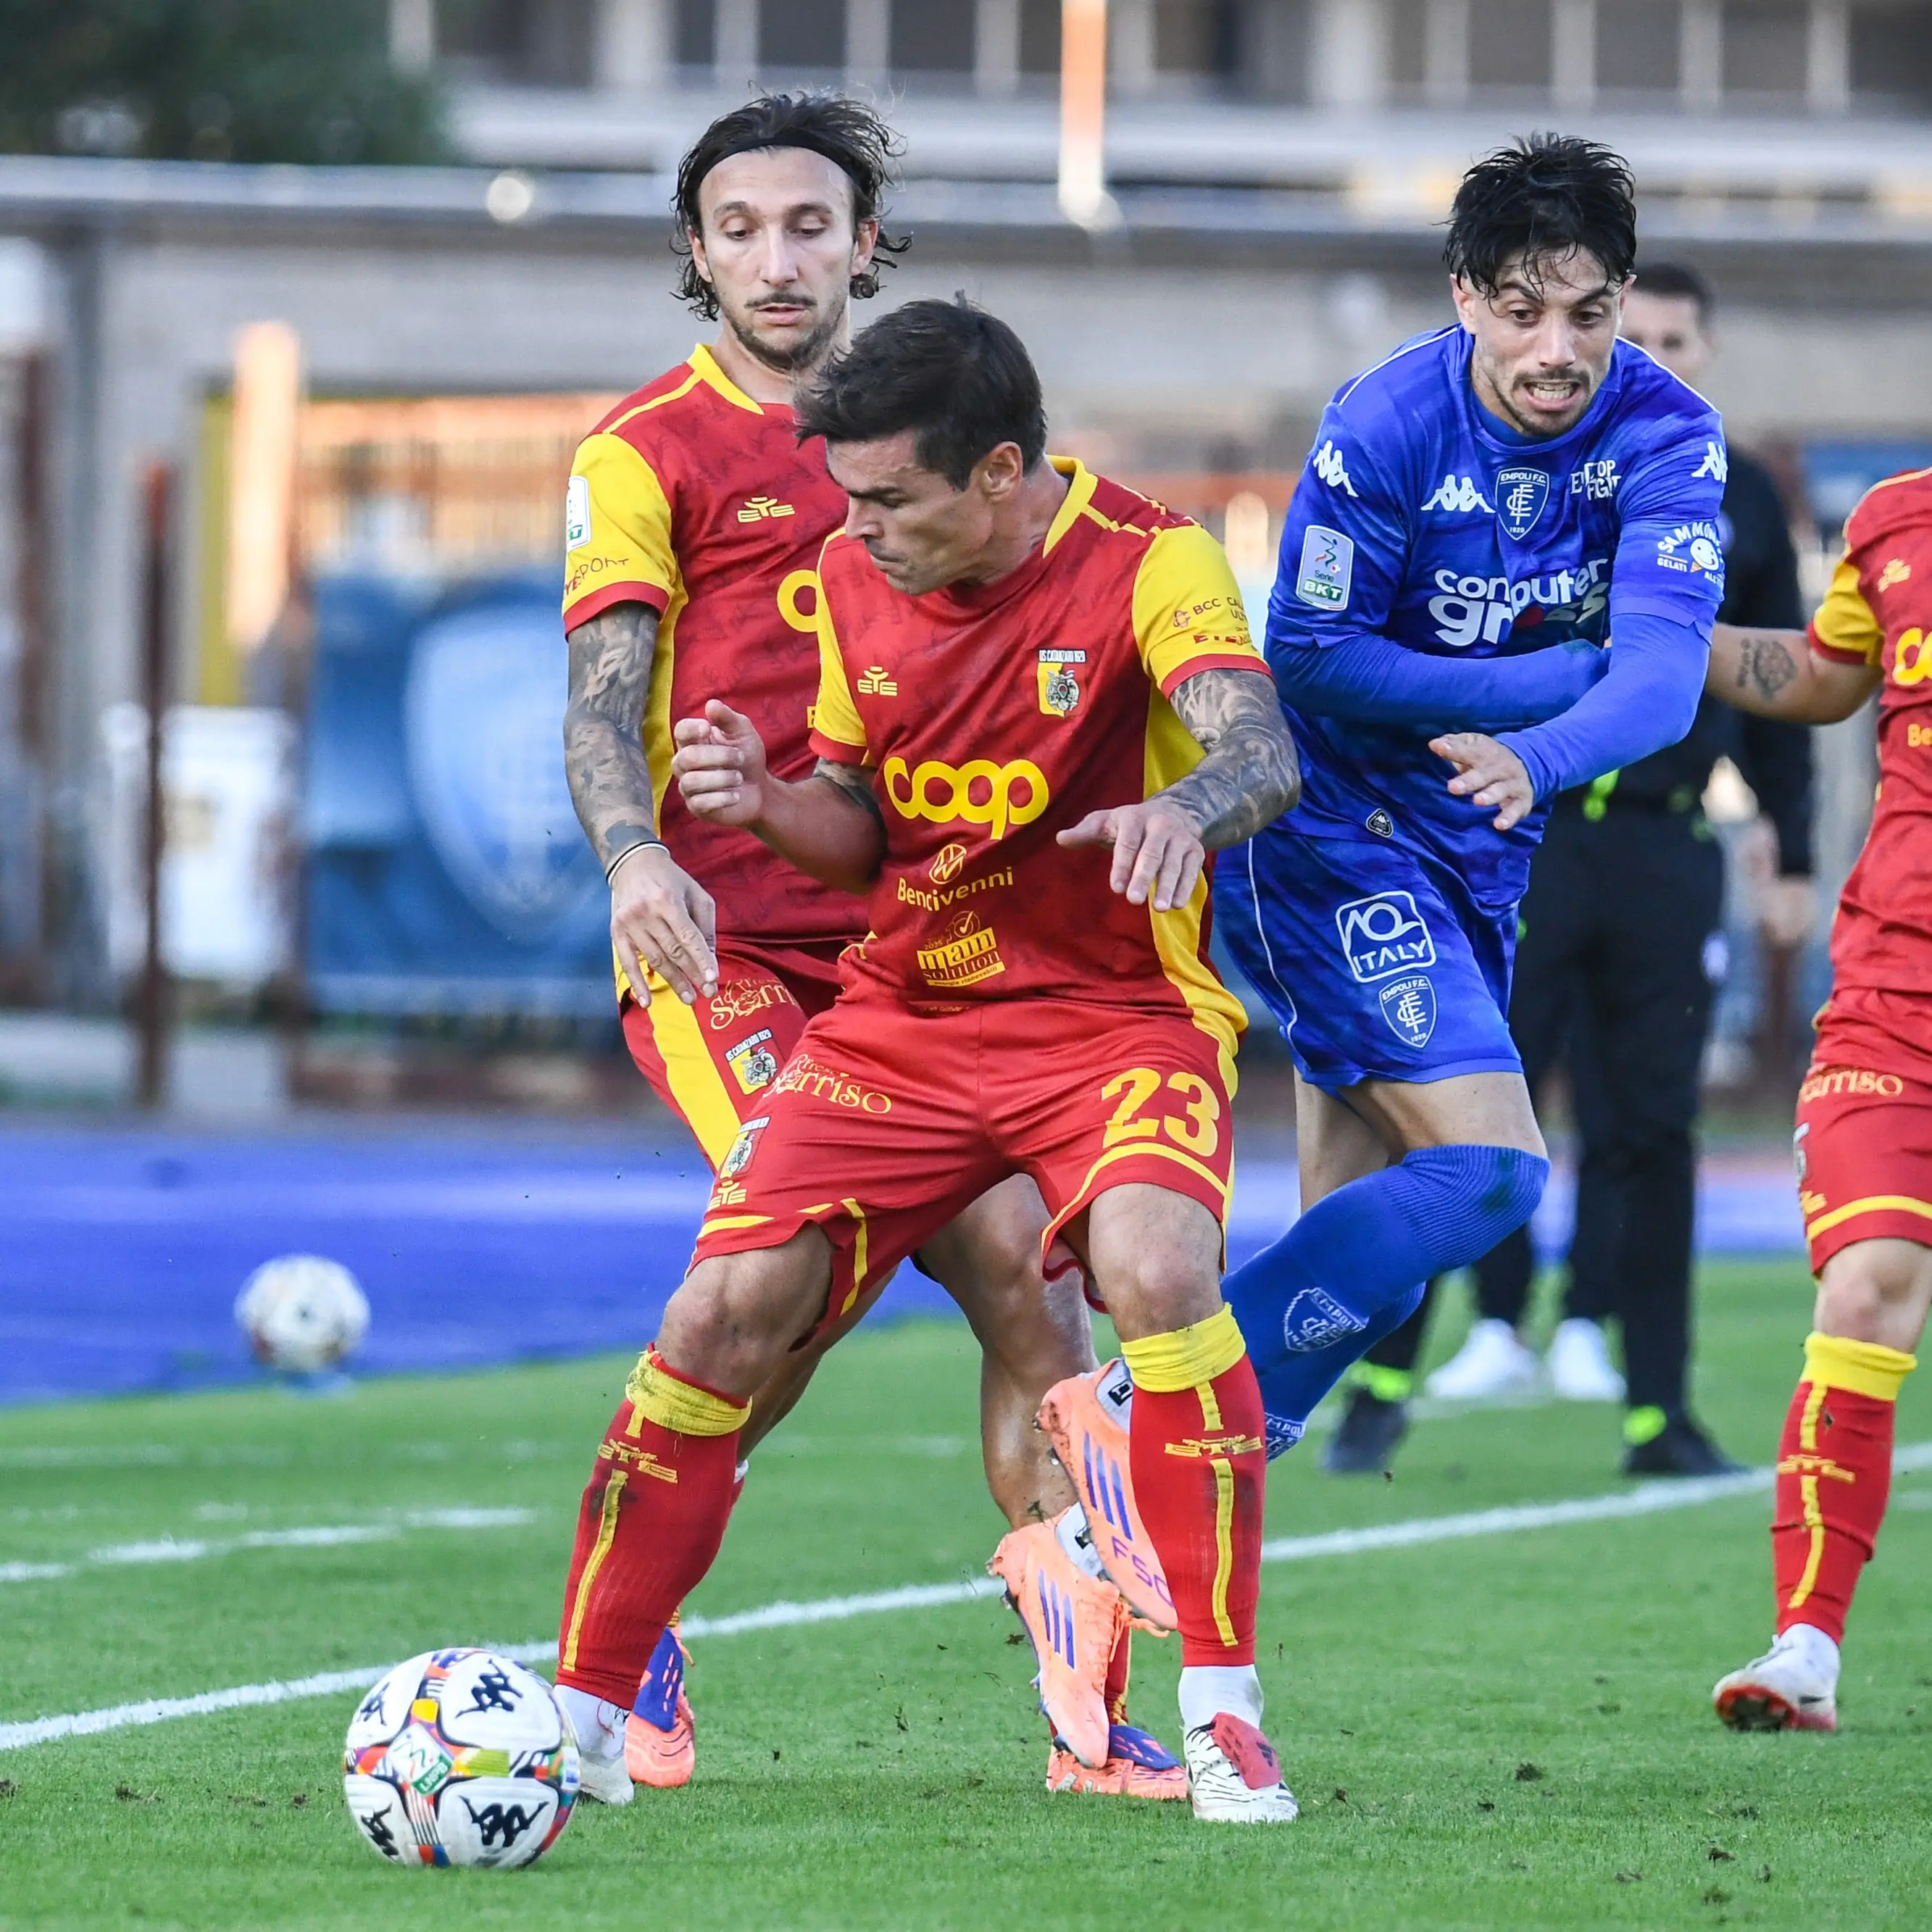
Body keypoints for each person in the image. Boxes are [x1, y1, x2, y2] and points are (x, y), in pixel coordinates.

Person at [555, 296, 1304, 1822]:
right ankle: (578, 1712)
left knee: (1159, 1273)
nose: (857, 527)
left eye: (890, 497)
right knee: (721, 1309)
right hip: (901, 1022)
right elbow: (866, 832)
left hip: (1106, 1017)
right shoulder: (848, 574)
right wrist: (766, 803)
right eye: (847, 497)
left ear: (1000, 473)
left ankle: (1221, 1713)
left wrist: (1184, 810)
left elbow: (1261, 751)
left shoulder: (1151, 559)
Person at [1045, 134, 1728, 1548]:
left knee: (1376, 1265)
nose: (1559, 348)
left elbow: (1659, 683)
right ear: (1465, 294)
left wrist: (1536, 757)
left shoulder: (1667, 435)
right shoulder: (1385, 418)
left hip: (1481, 850)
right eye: (1525, 310)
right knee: (1489, 1170)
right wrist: (1540, 689)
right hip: (1341, 833)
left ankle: (1134, 1518)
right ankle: (1136, 1409)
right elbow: (1308, 651)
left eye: (1589, 312)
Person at [1329, 259, 1815, 1479]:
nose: (1620, 351)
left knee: (1652, 1125)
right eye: (1621, 327)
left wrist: (1791, 844)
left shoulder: (1733, 491)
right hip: (1504, 829)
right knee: (1455, 1113)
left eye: (1660, 335)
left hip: (1659, 840)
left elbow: (1775, 688)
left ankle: (1658, 1410)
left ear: (1697, 350)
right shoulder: (1499, 470)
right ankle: (1384, 1378)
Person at [1700, 467, 1931, 1731]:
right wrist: (1666, 632)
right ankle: (1804, 1644)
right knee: (1863, 1287)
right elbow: (1826, 673)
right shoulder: (1896, 520)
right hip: (1897, 992)